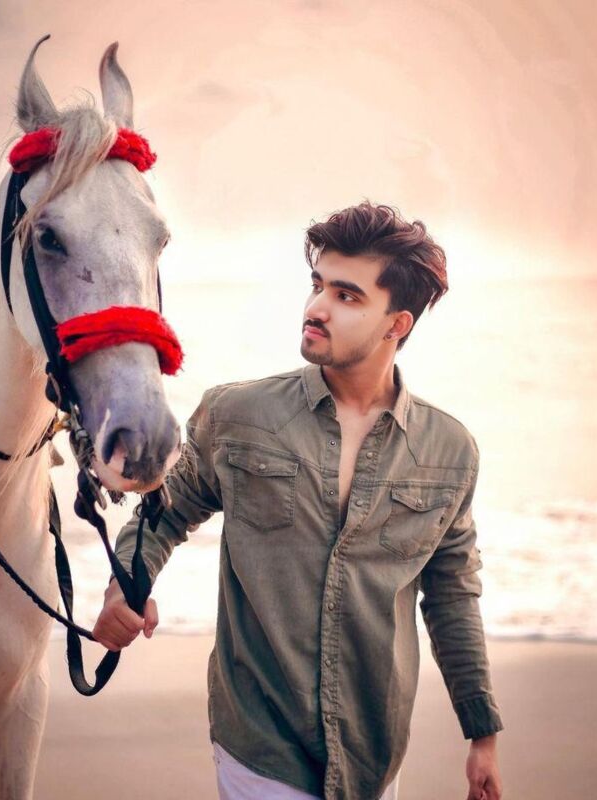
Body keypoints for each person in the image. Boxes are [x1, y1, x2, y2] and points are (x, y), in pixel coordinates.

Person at [93, 202, 504, 800]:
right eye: (318, 285)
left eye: (347, 295)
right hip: (259, 743)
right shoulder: (238, 415)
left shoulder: (448, 450)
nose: (316, 307)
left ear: (397, 324)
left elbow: (452, 594)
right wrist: (124, 586)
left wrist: (481, 733)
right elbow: (166, 513)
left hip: (374, 751)